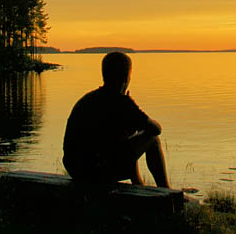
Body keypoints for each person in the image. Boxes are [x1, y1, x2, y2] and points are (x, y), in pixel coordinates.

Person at [62, 51, 170, 187]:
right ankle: (166, 190)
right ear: (126, 77)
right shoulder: (122, 102)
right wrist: (135, 112)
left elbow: (121, 145)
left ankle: (138, 185)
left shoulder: (88, 99)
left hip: (76, 171)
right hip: (98, 172)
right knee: (152, 139)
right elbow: (155, 129)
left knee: (126, 138)